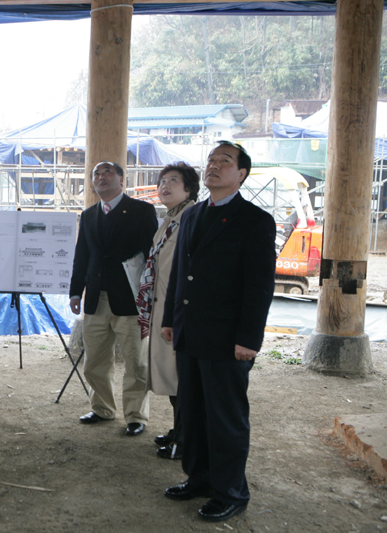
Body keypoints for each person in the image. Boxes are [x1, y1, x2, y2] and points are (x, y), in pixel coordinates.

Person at [161, 141, 276, 522]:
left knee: (225, 417)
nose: (214, 166)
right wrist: (169, 319)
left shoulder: (255, 221)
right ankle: (199, 478)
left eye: (224, 161)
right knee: (191, 413)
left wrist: (249, 339)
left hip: (228, 339)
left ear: (241, 174)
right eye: (211, 160)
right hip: (190, 333)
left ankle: (231, 490)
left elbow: (259, 286)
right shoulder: (192, 215)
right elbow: (179, 273)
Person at [69, 161, 158, 436]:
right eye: (96, 174)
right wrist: (75, 290)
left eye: (108, 172)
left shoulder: (142, 211)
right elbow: (82, 255)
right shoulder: (89, 214)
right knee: (95, 360)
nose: (101, 177)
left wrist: (150, 294)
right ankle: (102, 408)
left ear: (122, 179)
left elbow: (151, 254)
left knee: (136, 361)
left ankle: (136, 415)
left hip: (130, 299)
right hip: (96, 298)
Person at [135, 163, 199, 459]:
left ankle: (187, 441)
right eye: (162, 181)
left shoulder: (193, 216)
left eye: (174, 180)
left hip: (179, 311)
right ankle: (179, 430)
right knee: (173, 377)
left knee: (182, 378)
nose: (165, 185)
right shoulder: (170, 219)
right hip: (163, 307)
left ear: (189, 189)